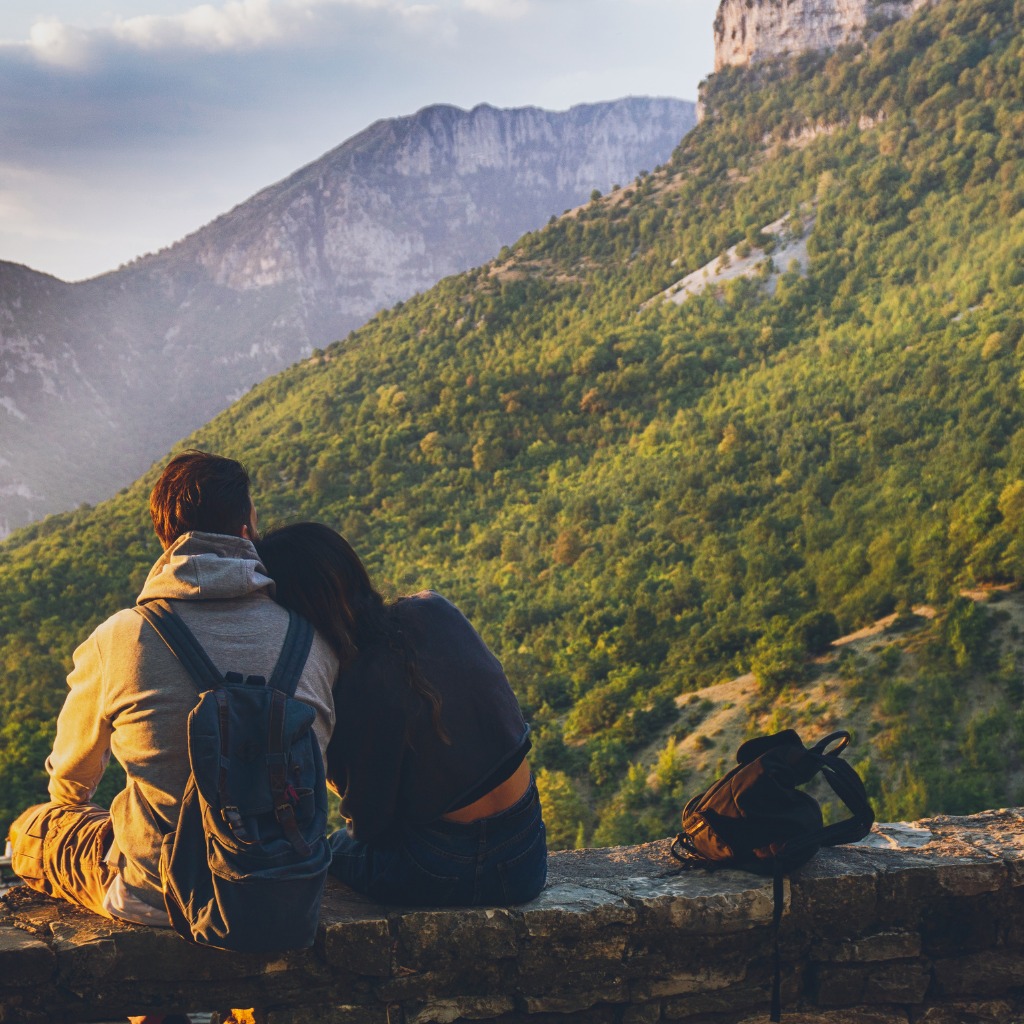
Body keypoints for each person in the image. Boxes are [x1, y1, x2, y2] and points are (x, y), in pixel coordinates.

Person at [6, 451, 338, 932]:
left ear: (165, 538)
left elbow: (72, 776)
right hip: (284, 885)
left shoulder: (122, 636)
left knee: (34, 827)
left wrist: (74, 802)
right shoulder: (312, 639)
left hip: (156, 893)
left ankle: (146, 1008)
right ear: (247, 528)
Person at [254, 521, 547, 906]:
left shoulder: (357, 683)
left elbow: (369, 827)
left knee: (326, 851)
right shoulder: (433, 608)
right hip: (529, 849)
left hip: (446, 866)